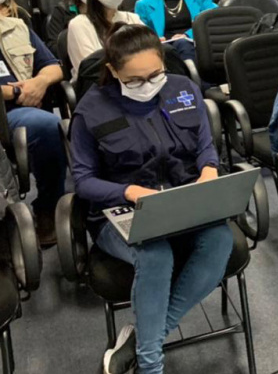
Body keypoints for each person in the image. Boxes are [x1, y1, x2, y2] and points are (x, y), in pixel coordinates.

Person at [70, 24, 232, 374]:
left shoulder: (183, 89)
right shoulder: (91, 110)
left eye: (155, 75)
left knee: (220, 240)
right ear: (113, 71)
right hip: (119, 211)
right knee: (155, 255)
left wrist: (208, 169)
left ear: (163, 61)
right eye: (135, 80)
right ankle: (150, 365)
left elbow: (205, 145)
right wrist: (127, 191)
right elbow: (83, 182)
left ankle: (143, 341)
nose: (147, 85)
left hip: (181, 201)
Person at [0, 0, 68, 246]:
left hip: (19, 111)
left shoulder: (17, 27)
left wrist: (39, 83)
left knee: (47, 125)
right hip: (7, 106)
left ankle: (48, 208)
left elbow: (54, 67)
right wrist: (15, 91)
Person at [67, 0, 143, 78]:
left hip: (140, 78)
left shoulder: (133, 18)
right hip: (100, 83)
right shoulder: (79, 24)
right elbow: (91, 68)